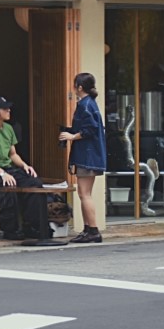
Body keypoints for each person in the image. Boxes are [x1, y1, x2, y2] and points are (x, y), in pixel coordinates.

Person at [0, 96, 55, 244]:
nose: (8, 110)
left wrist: (24, 165)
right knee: (8, 187)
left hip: (8, 168)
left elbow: (13, 154)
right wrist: (2, 173)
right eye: (5, 108)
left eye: (8, 108)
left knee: (34, 183)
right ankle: (10, 229)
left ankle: (33, 226)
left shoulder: (9, 128)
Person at [59, 72, 106, 243]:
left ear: (79, 87)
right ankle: (88, 229)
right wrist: (71, 131)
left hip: (87, 155)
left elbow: (90, 129)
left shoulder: (84, 105)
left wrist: (72, 136)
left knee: (84, 194)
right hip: (91, 154)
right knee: (85, 193)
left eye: (75, 85)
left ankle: (93, 230)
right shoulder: (90, 104)